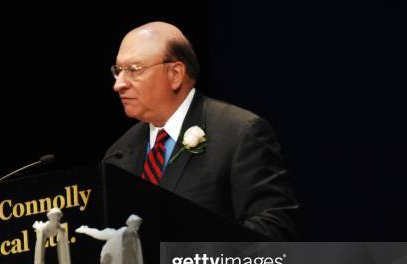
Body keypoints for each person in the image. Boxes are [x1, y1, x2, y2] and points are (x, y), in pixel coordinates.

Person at [104, 22, 299, 241]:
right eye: (118, 71)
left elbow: (274, 229)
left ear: (176, 73)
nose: (119, 84)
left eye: (134, 70)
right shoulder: (118, 153)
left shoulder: (240, 133)